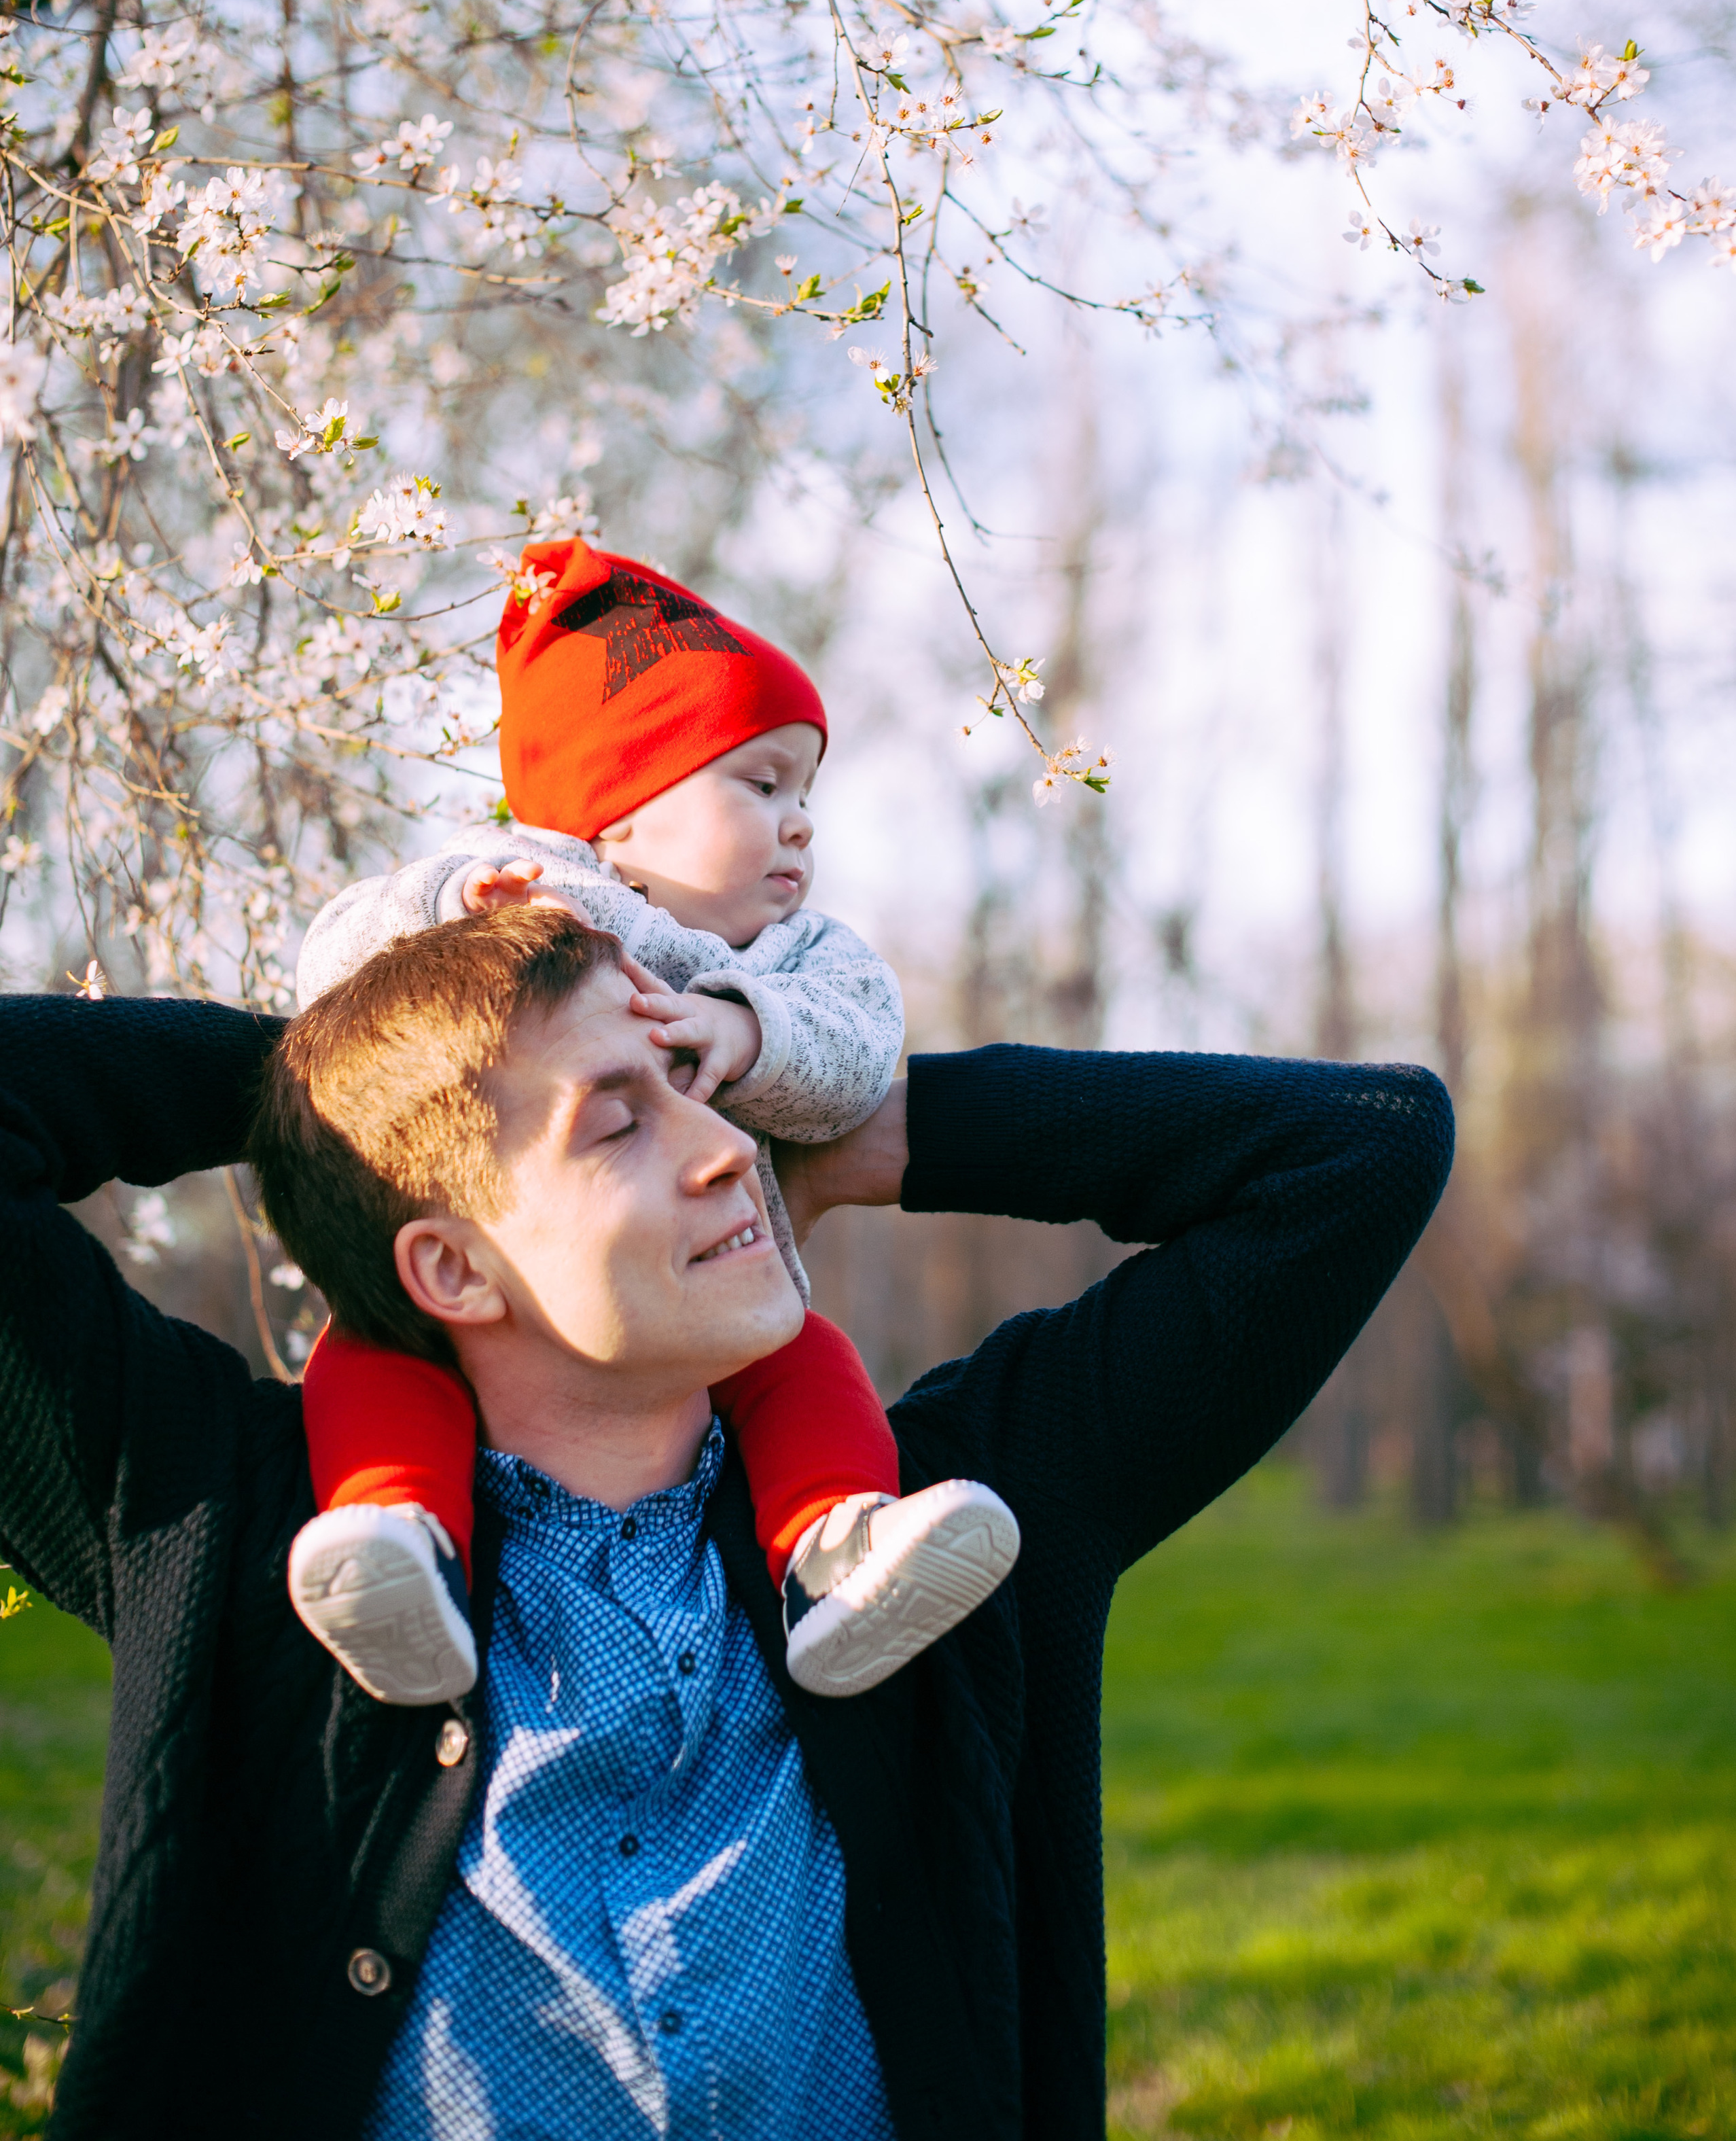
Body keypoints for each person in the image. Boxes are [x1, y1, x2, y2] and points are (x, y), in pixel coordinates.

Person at [0, 907, 1453, 2140]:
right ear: (448, 1265)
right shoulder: (241, 1540)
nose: (720, 1151)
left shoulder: (940, 1540)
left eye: (703, 1094)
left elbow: (1361, 1150)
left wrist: (844, 1114)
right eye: (623, 1120)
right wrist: (336, 1094)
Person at [287, 539, 1017, 1708]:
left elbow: (855, 1055)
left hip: (724, 1292)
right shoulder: (523, 893)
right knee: (369, 1356)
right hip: (495, 1288)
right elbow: (335, 991)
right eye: (760, 785)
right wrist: (439, 910)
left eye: (805, 796)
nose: (799, 828)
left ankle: (833, 1554)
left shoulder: (794, 959)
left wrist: (748, 1029)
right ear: (618, 820)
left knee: (809, 1365)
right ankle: (398, 1542)